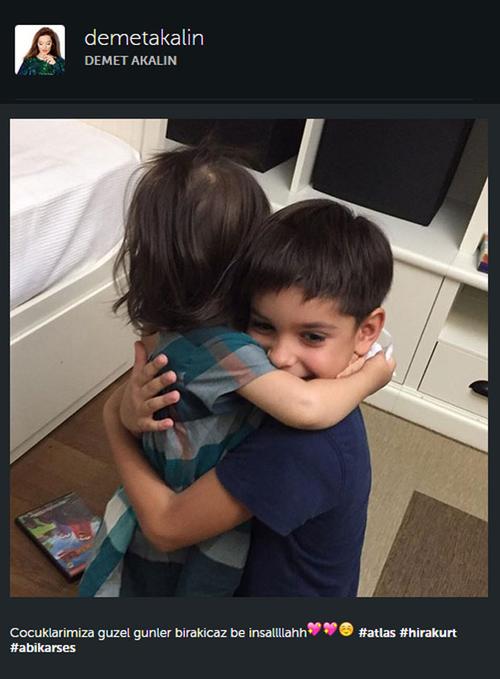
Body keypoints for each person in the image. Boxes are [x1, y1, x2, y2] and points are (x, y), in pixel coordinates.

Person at [79, 148, 393, 597]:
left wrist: (114, 421)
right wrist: (127, 407)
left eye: (311, 336)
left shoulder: (304, 444)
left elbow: (166, 526)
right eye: (263, 325)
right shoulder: (227, 358)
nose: (280, 357)